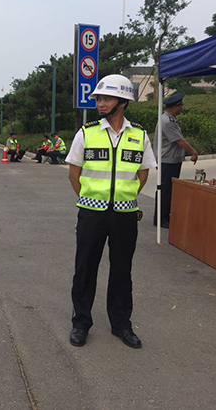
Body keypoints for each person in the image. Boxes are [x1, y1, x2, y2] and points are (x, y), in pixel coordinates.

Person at [66, 74, 156, 349]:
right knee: (85, 269)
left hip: (125, 215)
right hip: (91, 213)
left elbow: (143, 173)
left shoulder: (139, 135)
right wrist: (91, 199)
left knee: (122, 270)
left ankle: (121, 324)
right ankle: (81, 323)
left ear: (123, 102)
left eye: (106, 99)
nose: (100, 104)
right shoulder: (86, 133)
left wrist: (125, 197)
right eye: (99, 99)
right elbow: (73, 174)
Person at [153, 92, 198, 229]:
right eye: (181, 106)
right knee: (165, 190)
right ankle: (161, 218)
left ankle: (163, 216)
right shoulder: (167, 121)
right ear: (175, 107)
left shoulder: (170, 119)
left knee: (168, 189)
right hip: (167, 160)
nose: (182, 108)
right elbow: (179, 140)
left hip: (170, 160)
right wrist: (193, 151)